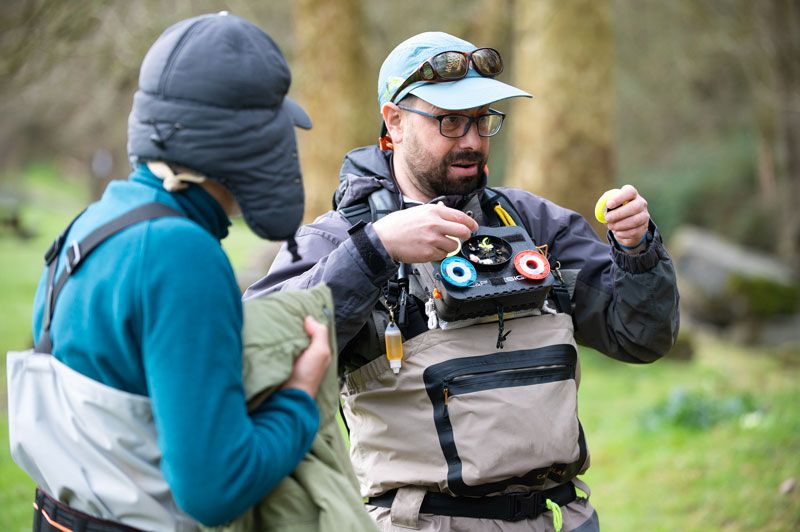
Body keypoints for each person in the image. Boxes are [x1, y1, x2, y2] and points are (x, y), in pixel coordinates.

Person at [245, 31, 680, 532]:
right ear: (395, 122)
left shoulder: (535, 224)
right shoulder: (340, 239)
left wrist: (637, 250)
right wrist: (375, 250)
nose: (472, 140)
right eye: (450, 121)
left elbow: (640, 336)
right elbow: (259, 355)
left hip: (560, 519)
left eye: (482, 120)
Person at [7, 12, 332, 531]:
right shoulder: (181, 254)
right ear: (247, 141)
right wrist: (299, 394)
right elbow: (216, 488)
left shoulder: (92, 224)